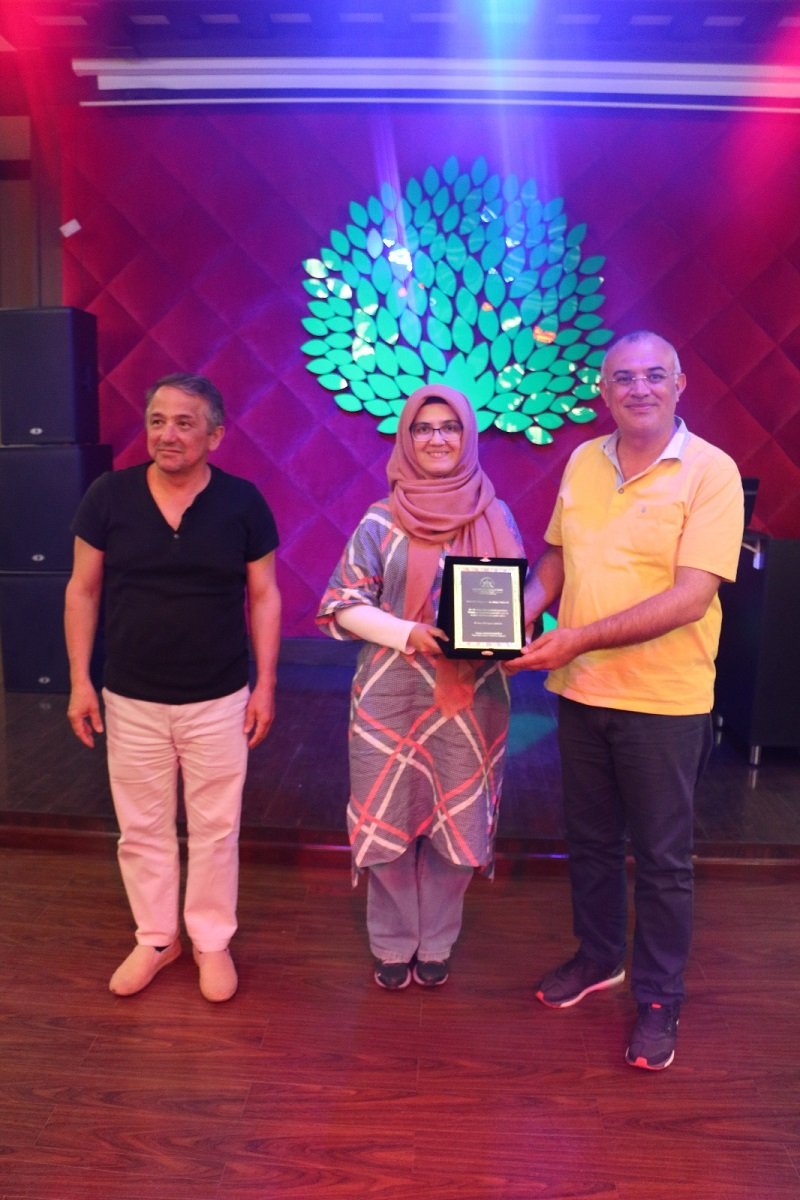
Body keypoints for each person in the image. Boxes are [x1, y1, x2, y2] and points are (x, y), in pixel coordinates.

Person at [506, 331, 743, 1069]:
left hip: (666, 702)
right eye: (624, 378)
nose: (639, 388)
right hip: (582, 691)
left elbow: (690, 596)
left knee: (664, 860)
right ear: (603, 392)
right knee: (592, 842)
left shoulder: (711, 472)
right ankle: (599, 956)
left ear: (679, 384)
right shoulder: (583, 460)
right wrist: (523, 611)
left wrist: (575, 637)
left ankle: (660, 997)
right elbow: (557, 556)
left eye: (653, 376)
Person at [64, 373, 281, 1003]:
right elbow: (82, 590)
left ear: (216, 435)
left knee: (216, 827)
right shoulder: (108, 495)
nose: (167, 434)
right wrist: (79, 681)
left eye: (185, 423)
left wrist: (266, 684)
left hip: (218, 697)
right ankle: (158, 939)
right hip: (129, 696)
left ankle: (211, 940)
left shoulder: (242, 502)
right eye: (157, 420)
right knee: (141, 827)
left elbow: (265, 597)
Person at [317, 384, 524, 990]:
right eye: (424, 428)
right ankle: (392, 942)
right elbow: (341, 603)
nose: (437, 439)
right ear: (406, 438)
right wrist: (409, 632)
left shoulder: (496, 515)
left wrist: (523, 634)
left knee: (457, 818)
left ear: (468, 436)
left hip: (472, 698)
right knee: (386, 814)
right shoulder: (380, 519)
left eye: (450, 427)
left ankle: (436, 941)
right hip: (391, 694)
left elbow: (514, 604)